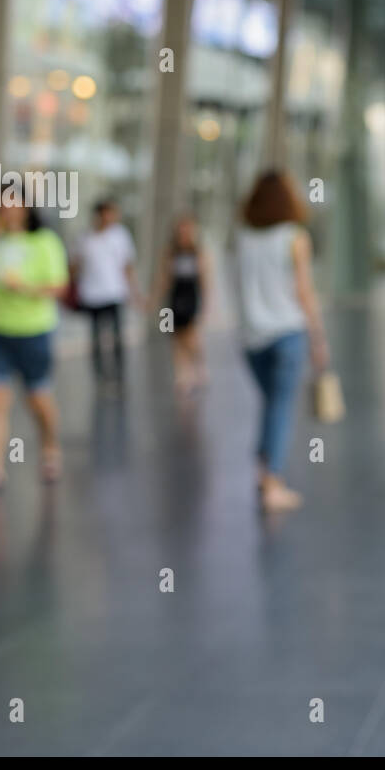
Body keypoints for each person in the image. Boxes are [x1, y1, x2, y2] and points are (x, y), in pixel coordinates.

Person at [232, 170, 330, 514]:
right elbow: (303, 291)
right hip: (287, 333)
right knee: (280, 406)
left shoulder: (243, 238)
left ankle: (263, 471)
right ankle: (273, 482)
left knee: (271, 403)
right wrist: (318, 337)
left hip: (251, 338)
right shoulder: (294, 237)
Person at [0, 179, 69, 493]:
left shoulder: (45, 242)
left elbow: (59, 287)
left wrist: (23, 287)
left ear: (25, 207)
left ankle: (50, 447)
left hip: (33, 331)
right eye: (1, 203)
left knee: (37, 397)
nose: (6, 209)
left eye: (12, 202)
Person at [71, 198, 143, 387]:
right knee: (96, 338)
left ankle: (119, 375)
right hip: (92, 295)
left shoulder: (120, 236)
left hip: (115, 293)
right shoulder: (85, 238)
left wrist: (134, 292)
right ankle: (100, 377)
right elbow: (74, 266)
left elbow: (127, 266)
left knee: (118, 336)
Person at [151, 214, 211, 396]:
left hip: (191, 297)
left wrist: (207, 304)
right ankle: (182, 375)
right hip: (174, 299)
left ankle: (199, 367)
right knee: (175, 337)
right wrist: (155, 300)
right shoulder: (170, 252)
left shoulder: (198, 252)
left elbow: (204, 280)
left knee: (191, 336)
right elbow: (164, 279)